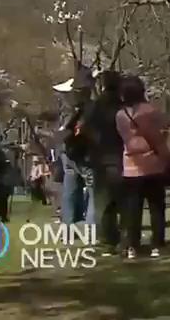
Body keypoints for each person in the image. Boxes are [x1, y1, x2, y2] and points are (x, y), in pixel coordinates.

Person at [115, 74, 170, 259]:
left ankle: (132, 245)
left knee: (133, 208)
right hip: (153, 164)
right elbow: (162, 132)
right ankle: (157, 244)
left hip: (130, 164)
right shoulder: (150, 111)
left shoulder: (120, 115)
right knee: (156, 207)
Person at [81, 70, 125, 255]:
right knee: (124, 201)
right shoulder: (123, 106)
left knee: (104, 202)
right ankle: (127, 238)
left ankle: (107, 240)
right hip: (122, 155)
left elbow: (85, 129)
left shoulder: (95, 107)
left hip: (100, 156)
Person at [55, 66, 95, 224]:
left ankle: (68, 226)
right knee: (93, 191)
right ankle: (92, 229)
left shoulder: (67, 106)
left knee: (69, 190)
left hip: (68, 151)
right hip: (85, 152)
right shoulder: (90, 107)